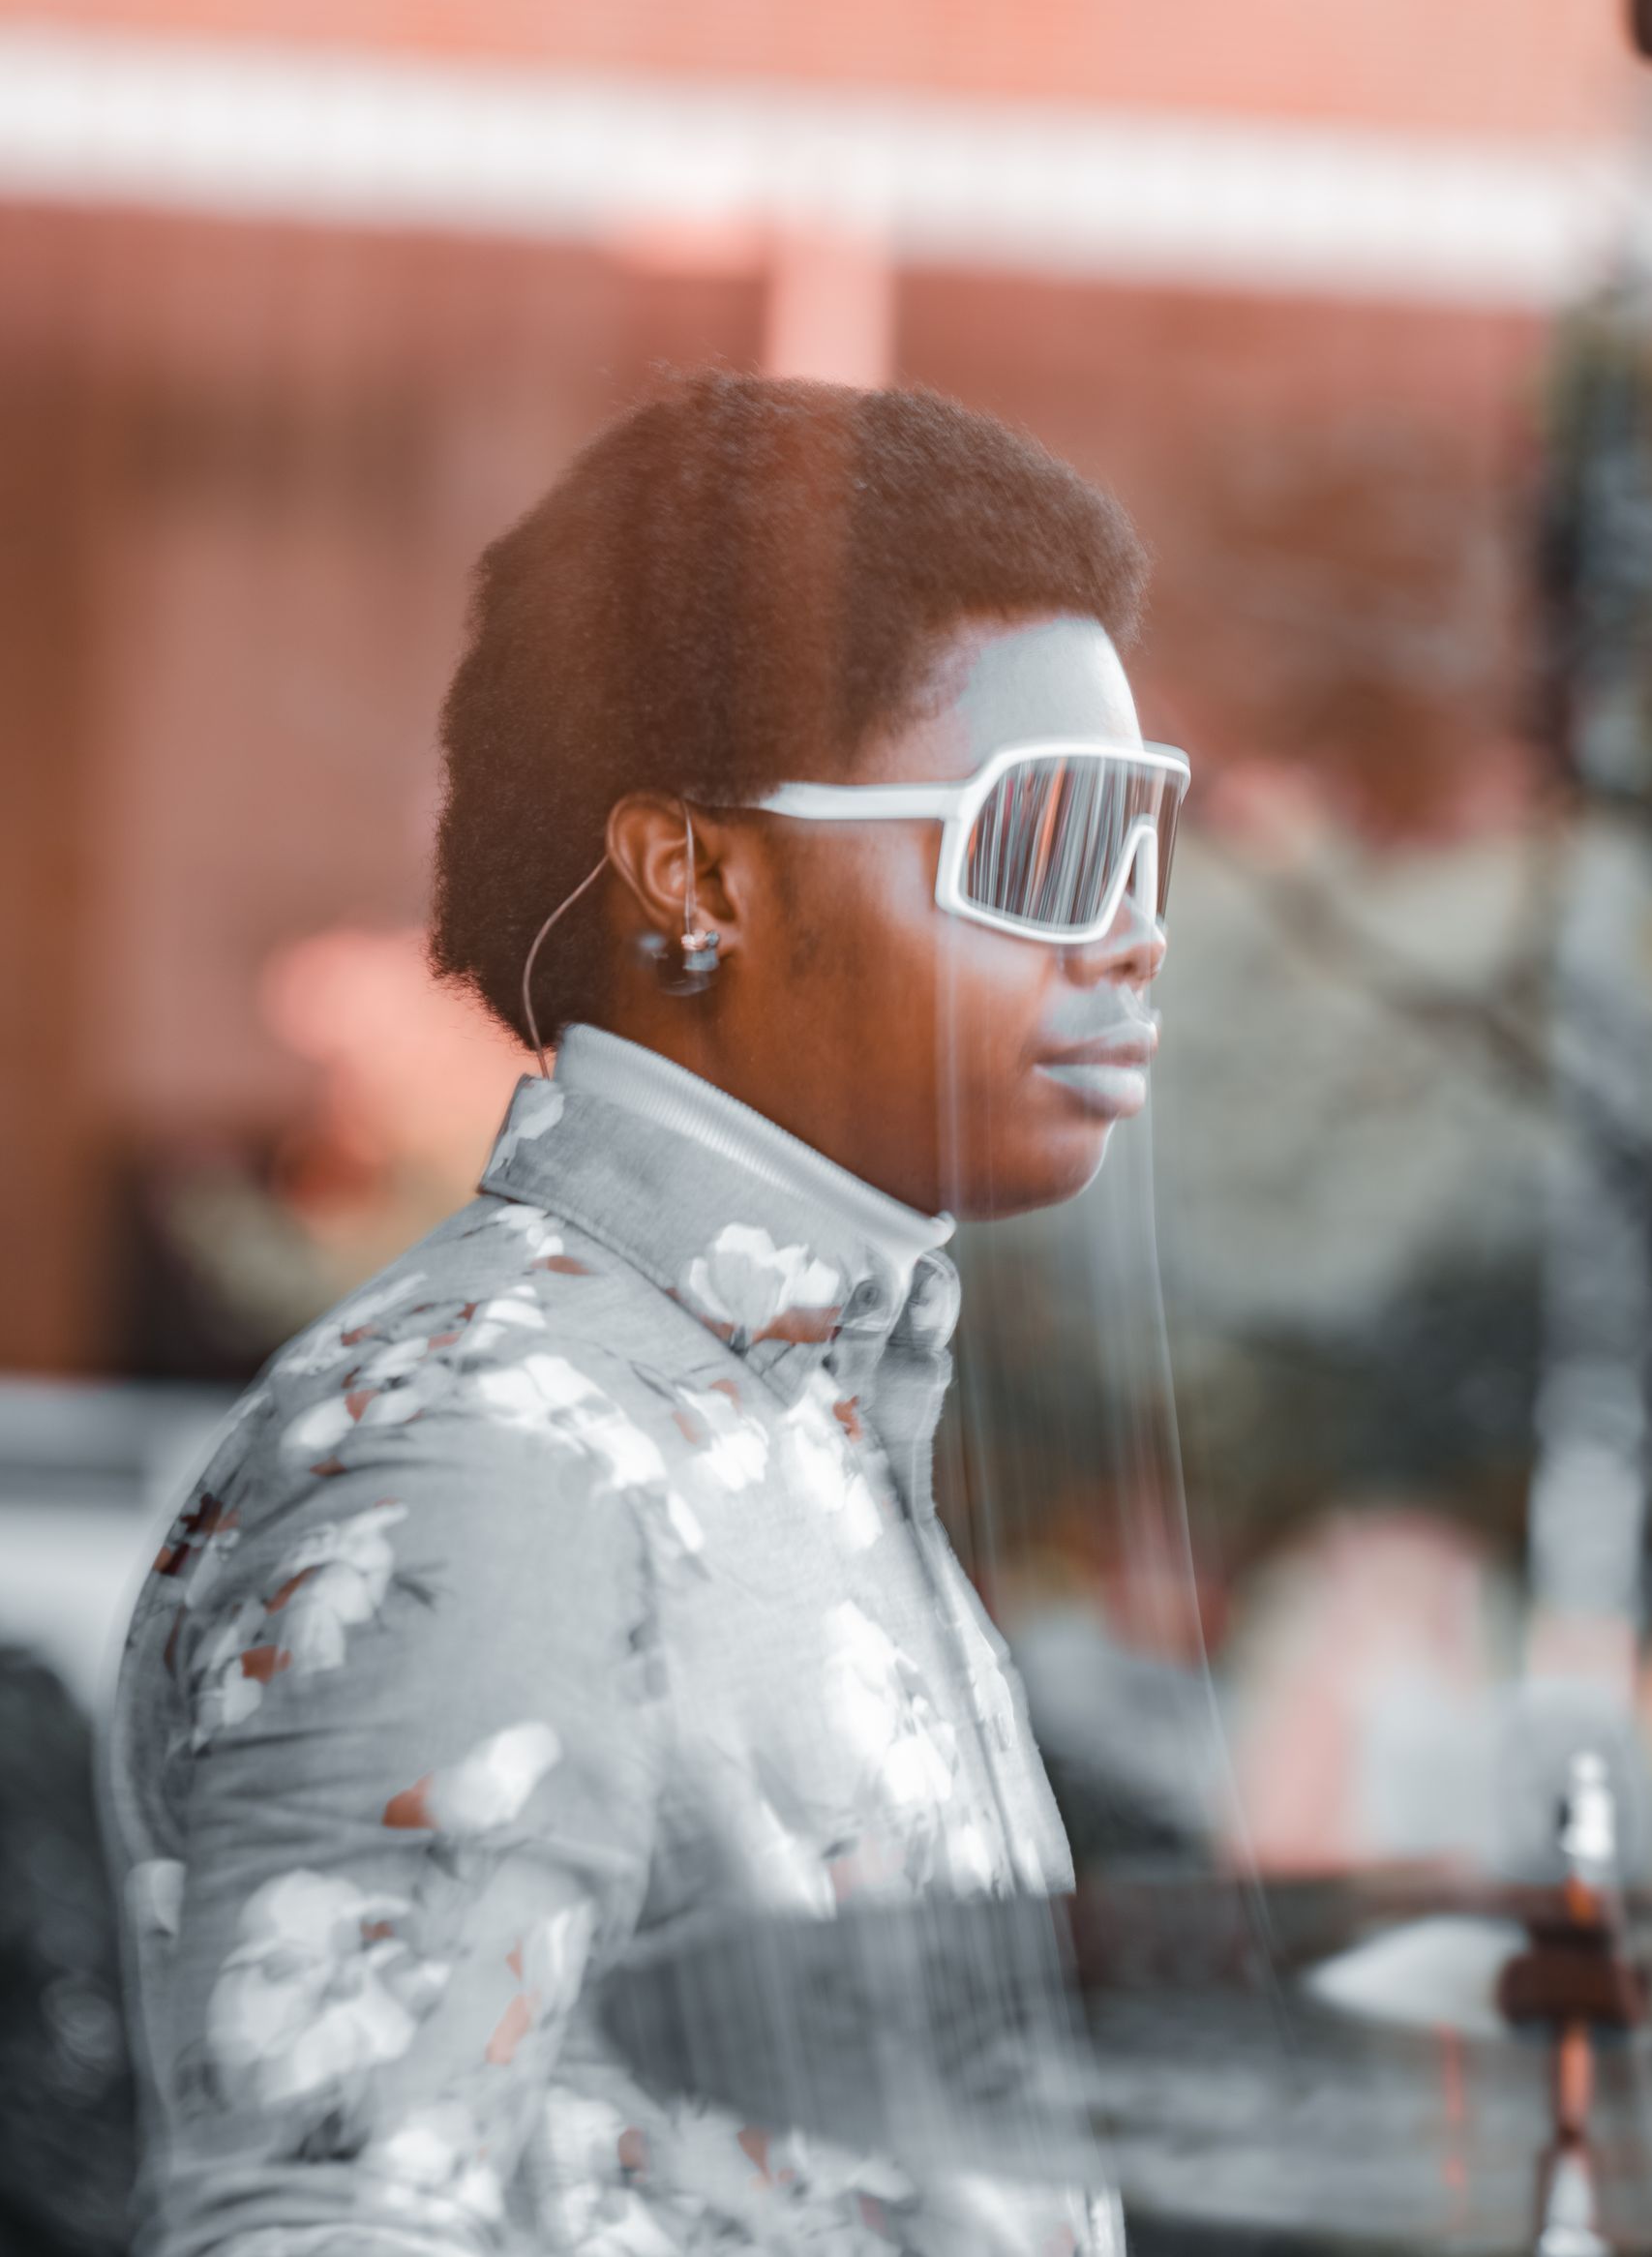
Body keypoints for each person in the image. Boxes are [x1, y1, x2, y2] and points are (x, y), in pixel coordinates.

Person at [109, 372, 1188, 2256]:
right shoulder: (496, 1461)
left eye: (1145, 836)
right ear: (696, 873)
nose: (1133, 929)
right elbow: (320, 2221)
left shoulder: (779, 1420)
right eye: (1047, 839)